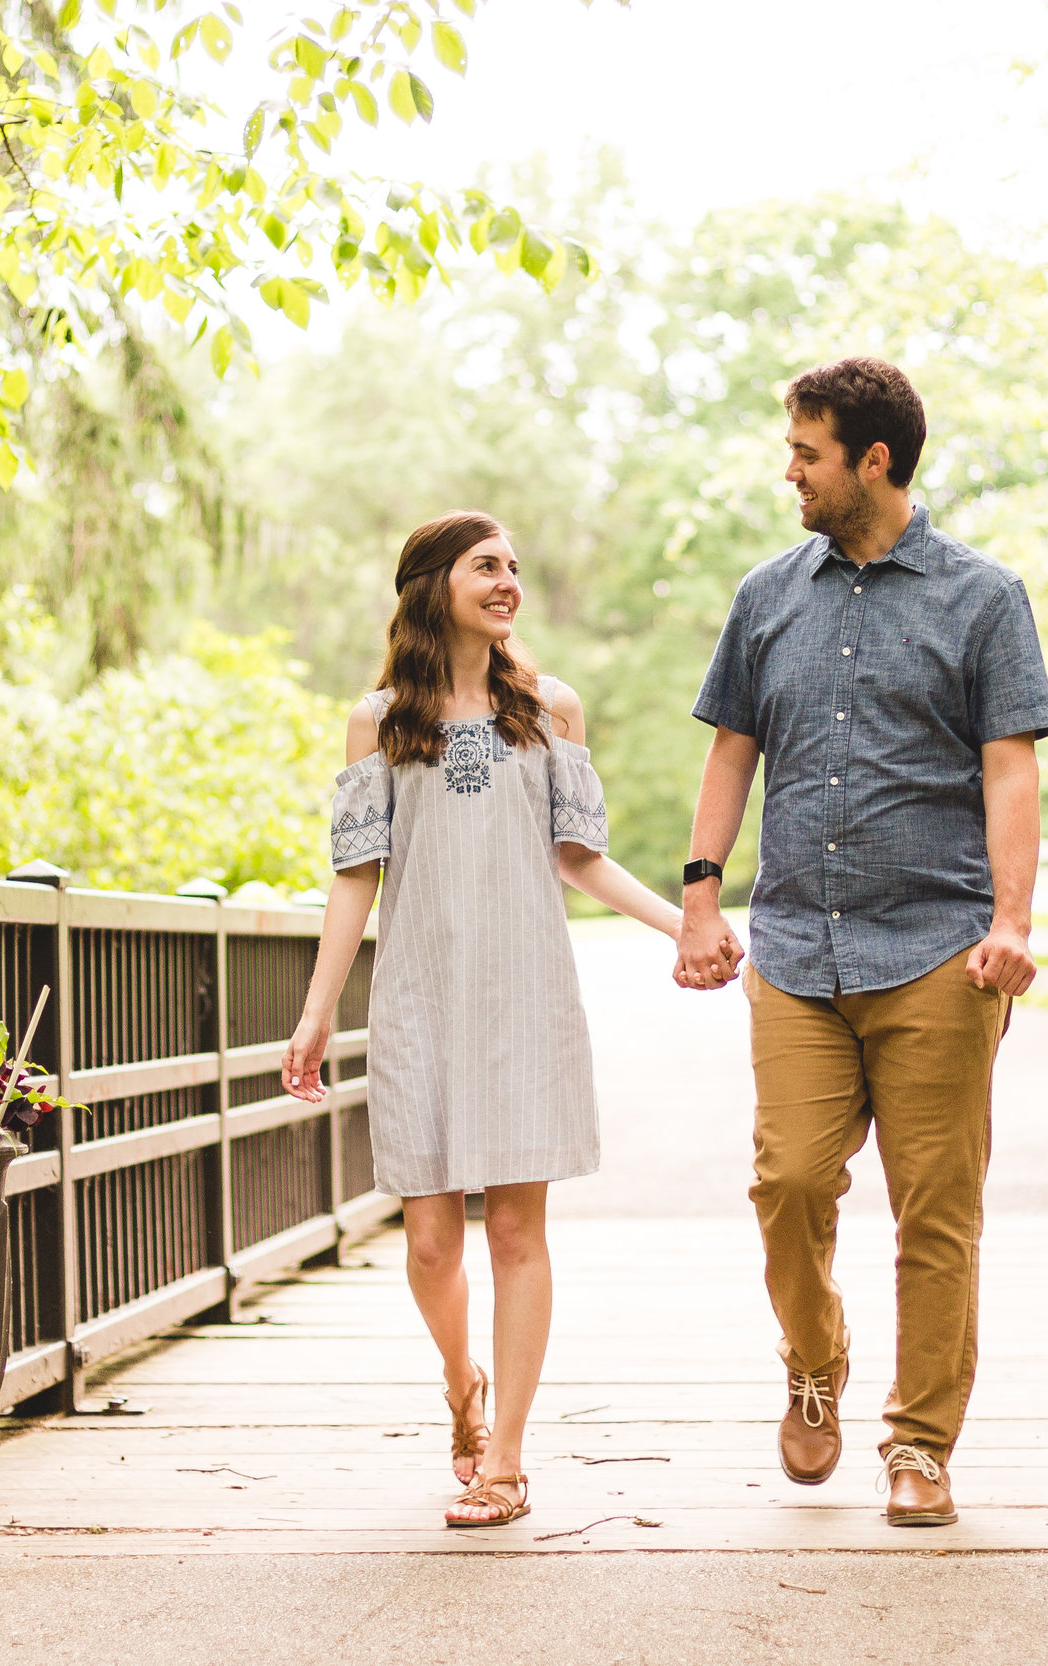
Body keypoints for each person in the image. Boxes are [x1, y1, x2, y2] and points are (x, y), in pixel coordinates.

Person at [673, 357, 1048, 1526]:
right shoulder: (766, 595)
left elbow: (1010, 766)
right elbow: (732, 748)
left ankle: (921, 1443)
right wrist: (700, 892)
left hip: (939, 948)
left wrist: (1011, 923)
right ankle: (814, 1357)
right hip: (795, 945)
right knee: (786, 1180)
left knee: (936, 1208)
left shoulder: (984, 598)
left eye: (806, 452)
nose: (787, 469)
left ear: (872, 461)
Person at [282, 510, 685, 1529]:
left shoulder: (550, 708)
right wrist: (315, 1014)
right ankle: (464, 1382)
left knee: (513, 1227)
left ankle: (504, 1461)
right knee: (427, 1244)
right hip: (418, 997)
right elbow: (353, 878)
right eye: (485, 566)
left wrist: (681, 925)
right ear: (433, 583)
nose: (508, 581)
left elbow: (578, 855)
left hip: (525, 995)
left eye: (514, 565)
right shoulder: (378, 721)